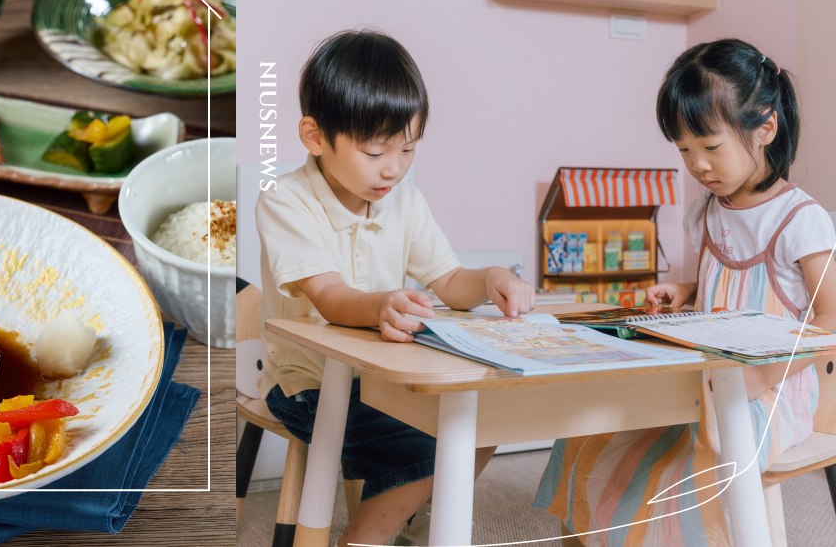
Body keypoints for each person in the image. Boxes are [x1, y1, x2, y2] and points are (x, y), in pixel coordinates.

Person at [536, 38, 836, 546]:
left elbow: (829, 321)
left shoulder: (801, 221)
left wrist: (766, 371)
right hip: (701, 376)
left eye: (710, 147)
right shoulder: (709, 210)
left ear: (765, 127)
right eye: (684, 150)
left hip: (774, 388)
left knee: (696, 465)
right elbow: (723, 292)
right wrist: (685, 290)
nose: (697, 165)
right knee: (593, 430)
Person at [256, 30, 535, 546]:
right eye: (375, 150)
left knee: (483, 421)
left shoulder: (403, 198)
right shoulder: (286, 200)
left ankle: (416, 514)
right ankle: (368, 536)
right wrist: (382, 304)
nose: (393, 168)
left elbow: (450, 282)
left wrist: (491, 278)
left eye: (407, 149)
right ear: (316, 137)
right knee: (435, 439)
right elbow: (331, 296)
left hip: (382, 381)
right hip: (307, 386)